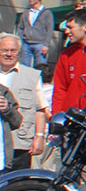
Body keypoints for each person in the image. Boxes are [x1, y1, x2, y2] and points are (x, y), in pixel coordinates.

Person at [0, 33, 46, 170]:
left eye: (13, 50)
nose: (8, 54)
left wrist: (39, 137)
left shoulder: (32, 75)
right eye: (4, 50)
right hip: (0, 143)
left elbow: (40, 109)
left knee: (18, 187)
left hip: (20, 143)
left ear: (19, 53)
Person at [17, 0, 53, 71]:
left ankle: (40, 83)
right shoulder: (27, 12)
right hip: (26, 43)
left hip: (40, 43)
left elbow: (49, 29)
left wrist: (46, 44)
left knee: (40, 67)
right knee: (25, 67)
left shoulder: (47, 13)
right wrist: (21, 39)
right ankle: (25, 83)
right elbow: (20, 27)